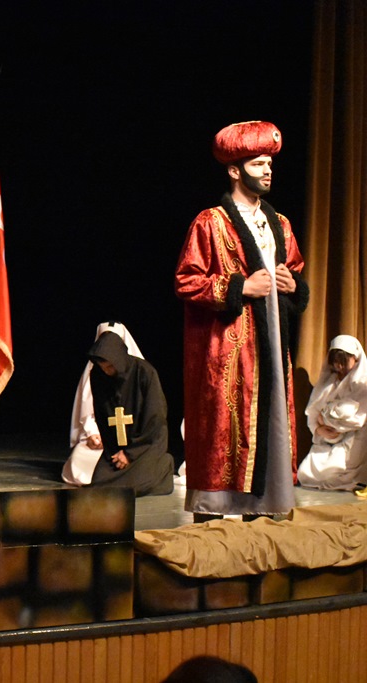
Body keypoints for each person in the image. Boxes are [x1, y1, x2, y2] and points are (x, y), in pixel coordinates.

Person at [175, 121, 309, 521]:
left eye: (269, 164)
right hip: (228, 351)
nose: (267, 171)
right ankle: (211, 519)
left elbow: (295, 270)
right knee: (223, 427)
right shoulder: (211, 222)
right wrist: (240, 287)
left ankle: (261, 517)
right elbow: (187, 280)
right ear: (235, 170)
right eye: (257, 164)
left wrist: (292, 285)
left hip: (271, 348)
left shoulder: (279, 223)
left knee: (270, 423)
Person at [84, 331, 174, 496]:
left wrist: (130, 453)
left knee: (133, 486)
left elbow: (155, 418)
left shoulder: (145, 372)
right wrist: (115, 451)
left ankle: (164, 466)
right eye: (103, 368)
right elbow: (102, 415)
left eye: (110, 367)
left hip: (146, 443)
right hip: (117, 446)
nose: (106, 371)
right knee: (99, 484)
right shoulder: (98, 376)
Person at [64, 321, 145, 486]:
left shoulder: (141, 372)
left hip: (132, 442)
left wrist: (132, 446)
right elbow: (88, 408)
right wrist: (93, 433)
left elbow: (147, 415)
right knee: (82, 461)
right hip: (104, 439)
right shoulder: (95, 372)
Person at [297, 335, 367, 490]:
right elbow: (313, 412)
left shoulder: (362, 384)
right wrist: (318, 429)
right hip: (325, 438)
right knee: (305, 473)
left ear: (355, 359)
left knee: (331, 476)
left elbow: (357, 419)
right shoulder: (329, 381)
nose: (339, 366)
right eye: (336, 361)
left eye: (343, 362)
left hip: (352, 438)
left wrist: (326, 419)